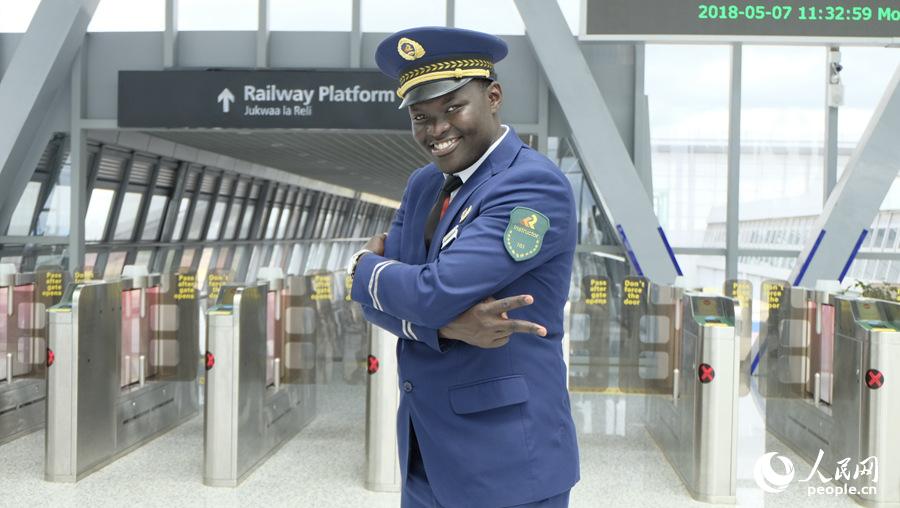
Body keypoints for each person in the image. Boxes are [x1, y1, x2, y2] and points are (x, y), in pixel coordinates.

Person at [347, 26, 579, 508]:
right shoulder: (423, 185)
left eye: (454, 107)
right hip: (424, 450)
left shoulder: (532, 185)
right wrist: (448, 326)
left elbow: (431, 291)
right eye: (421, 116)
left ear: (493, 96)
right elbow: (390, 305)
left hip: (506, 461)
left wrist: (362, 267)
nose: (437, 130)